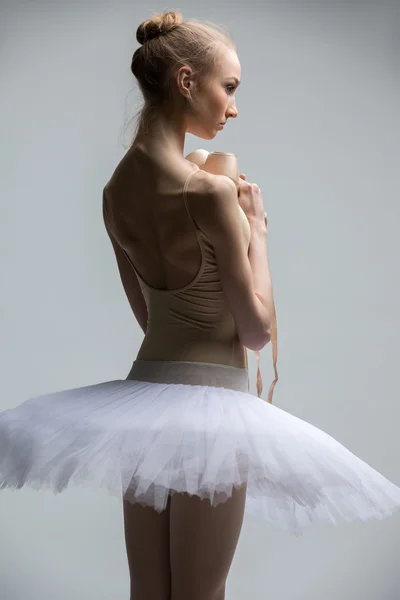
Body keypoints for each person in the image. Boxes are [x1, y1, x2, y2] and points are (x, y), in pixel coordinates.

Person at [1, 9, 400, 600]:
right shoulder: (210, 193)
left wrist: (220, 182)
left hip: (146, 401)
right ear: (187, 81)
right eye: (229, 87)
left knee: (149, 591)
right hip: (214, 406)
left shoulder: (115, 193)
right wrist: (256, 228)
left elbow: (149, 318)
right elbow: (257, 330)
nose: (234, 107)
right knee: (200, 593)